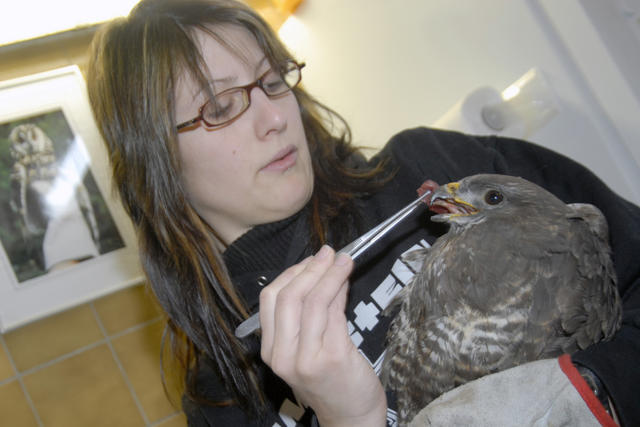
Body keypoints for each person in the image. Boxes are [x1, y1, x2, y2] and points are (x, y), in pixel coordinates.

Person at [86, 0, 640, 425]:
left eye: (272, 81)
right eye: (221, 106)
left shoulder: (429, 167)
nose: (275, 117)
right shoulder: (225, 399)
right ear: (156, 163)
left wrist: (587, 393)